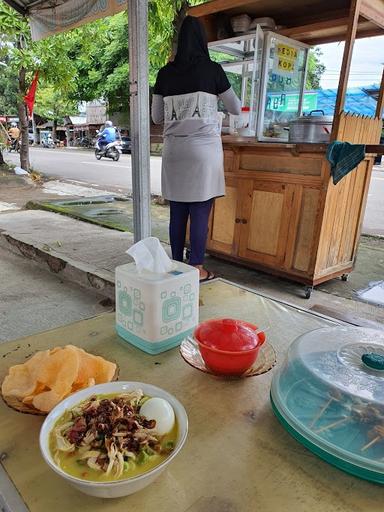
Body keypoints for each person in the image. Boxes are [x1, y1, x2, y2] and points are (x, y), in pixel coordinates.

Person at [151, 16, 241, 282]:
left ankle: (176, 266)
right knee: (200, 211)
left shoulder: (164, 73)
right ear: (203, 41)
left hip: (174, 152)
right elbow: (235, 107)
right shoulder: (212, 70)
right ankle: (198, 269)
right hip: (203, 152)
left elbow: (157, 117)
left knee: (177, 211)